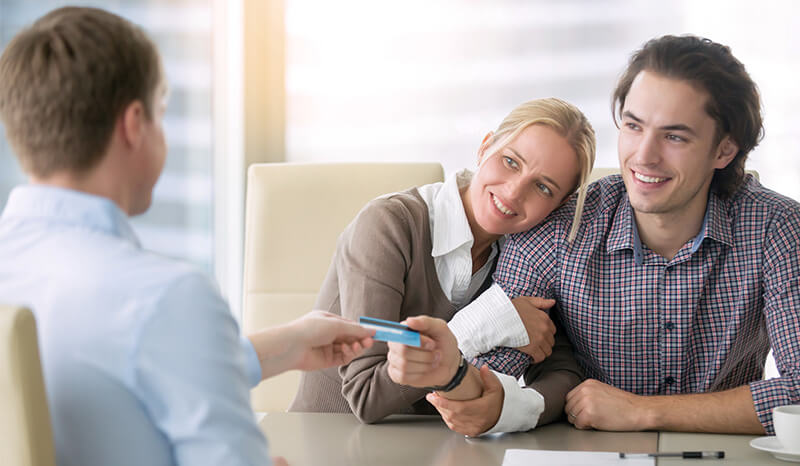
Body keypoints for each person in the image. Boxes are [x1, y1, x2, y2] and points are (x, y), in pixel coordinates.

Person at [0, 7, 374, 466]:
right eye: (161, 113)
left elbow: (118, 370)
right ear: (134, 125)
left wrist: (287, 345)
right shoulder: (167, 297)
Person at [389, 34, 800, 437]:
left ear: (724, 151)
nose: (644, 155)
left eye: (674, 136)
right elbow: (494, 365)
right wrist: (485, 401)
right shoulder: (560, 227)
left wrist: (643, 412)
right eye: (634, 126)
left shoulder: (777, 228)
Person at [289, 97, 597, 435]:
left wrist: (511, 409)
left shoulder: (529, 257)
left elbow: (565, 374)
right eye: (510, 161)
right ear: (484, 148)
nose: (513, 191)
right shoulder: (388, 225)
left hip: (435, 450)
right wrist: (489, 320)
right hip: (331, 443)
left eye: (542, 187)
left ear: (560, 205)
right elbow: (366, 395)